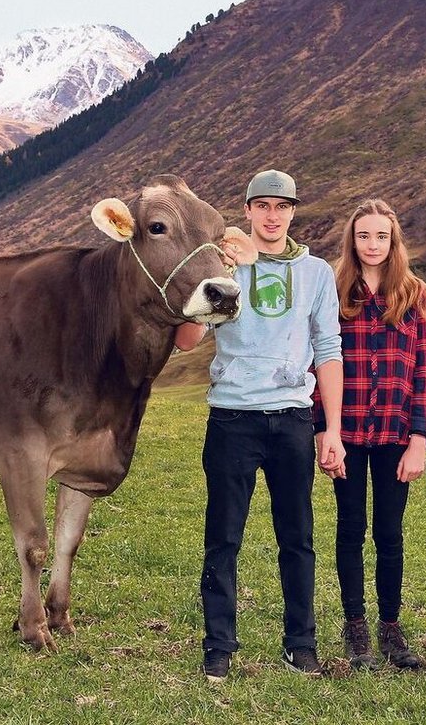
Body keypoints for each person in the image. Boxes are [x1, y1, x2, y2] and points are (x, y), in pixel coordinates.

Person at [175, 169, 345, 682]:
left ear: (293, 212)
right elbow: (186, 340)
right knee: (223, 537)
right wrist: (209, 282)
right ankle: (218, 646)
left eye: (282, 206)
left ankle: (301, 644)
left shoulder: (315, 273)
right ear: (247, 210)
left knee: (298, 537)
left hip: (293, 417)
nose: (273, 216)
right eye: (263, 206)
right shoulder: (225, 265)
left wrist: (332, 428)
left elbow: (328, 349)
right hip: (232, 417)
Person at [312, 199, 426, 670]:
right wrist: (323, 431)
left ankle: (391, 626)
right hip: (347, 431)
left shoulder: (414, 293)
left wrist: (419, 438)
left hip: (395, 434)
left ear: (393, 240)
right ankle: (355, 625)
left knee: (389, 532)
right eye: (364, 235)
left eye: (381, 236)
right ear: (352, 240)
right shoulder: (335, 290)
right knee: (350, 527)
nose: (373, 244)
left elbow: (423, 371)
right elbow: (319, 362)